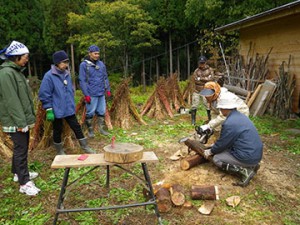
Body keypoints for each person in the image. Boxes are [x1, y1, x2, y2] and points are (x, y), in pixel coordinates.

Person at [0, 40, 40, 196]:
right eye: (25, 56)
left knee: (20, 148)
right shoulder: (6, 73)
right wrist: (20, 122)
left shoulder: (16, 71)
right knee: (21, 149)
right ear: (16, 57)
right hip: (16, 120)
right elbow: (11, 100)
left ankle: (18, 173)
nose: (27, 59)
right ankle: (24, 183)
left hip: (20, 119)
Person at [39, 50, 95, 155]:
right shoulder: (49, 76)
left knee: (76, 126)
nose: (66, 64)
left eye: (67, 62)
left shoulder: (66, 74)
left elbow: (70, 90)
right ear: (57, 63)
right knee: (57, 129)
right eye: (63, 62)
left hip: (68, 108)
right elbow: (44, 94)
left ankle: (85, 147)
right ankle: (59, 151)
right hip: (56, 108)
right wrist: (49, 109)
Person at [203, 92, 263, 187]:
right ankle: (251, 165)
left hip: (247, 156)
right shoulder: (240, 116)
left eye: (220, 108)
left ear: (225, 108)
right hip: (255, 154)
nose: (220, 110)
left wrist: (211, 151)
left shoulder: (230, 123)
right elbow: (228, 141)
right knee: (223, 151)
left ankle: (245, 171)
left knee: (217, 158)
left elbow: (223, 143)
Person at [78, 45, 111, 137]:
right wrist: (86, 94)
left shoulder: (101, 64)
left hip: (101, 93)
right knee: (90, 112)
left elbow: (105, 77)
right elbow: (82, 80)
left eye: (98, 54)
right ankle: (90, 131)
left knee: (101, 111)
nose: (97, 55)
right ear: (90, 53)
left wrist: (107, 89)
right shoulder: (84, 65)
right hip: (91, 93)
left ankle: (101, 129)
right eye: (95, 53)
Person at [190, 55, 215, 125]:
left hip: (206, 90)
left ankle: (210, 119)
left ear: (206, 62)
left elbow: (211, 79)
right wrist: (206, 78)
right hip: (197, 90)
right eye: (201, 63)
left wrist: (200, 78)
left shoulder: (210, 70)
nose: (202, 64)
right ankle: (193, 120)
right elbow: (195, 80)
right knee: (194, 105)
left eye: (203, 63)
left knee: (208, 105)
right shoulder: (196, 71)